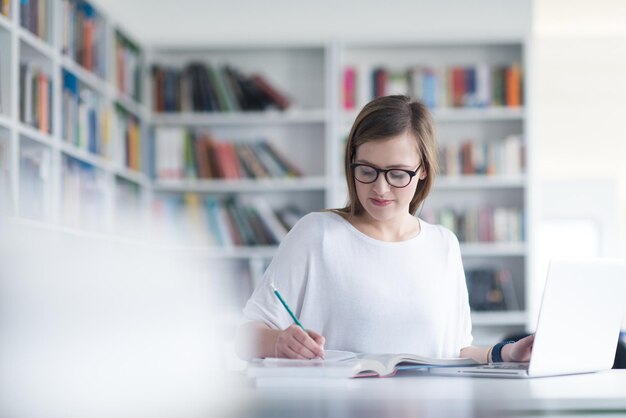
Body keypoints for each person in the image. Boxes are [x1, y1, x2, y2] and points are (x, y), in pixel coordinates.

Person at [235, 95, 534, 364]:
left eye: (397, 174)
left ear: (423, 170)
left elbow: (454, 351)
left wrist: (506, 352)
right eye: (366, 170)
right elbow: (244, 338)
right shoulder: (316, 235)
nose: (380, 188)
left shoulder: (443, 244)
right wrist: (278, 342)